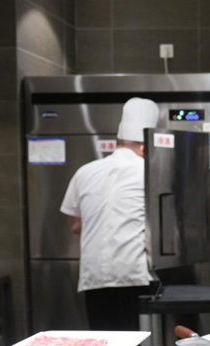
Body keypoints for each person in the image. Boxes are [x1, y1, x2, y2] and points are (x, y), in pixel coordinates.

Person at [60, 98, 160, 331]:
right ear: (144, 147)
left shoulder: (84, 172)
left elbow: (75, 225)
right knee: (136, 344)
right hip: (134, 275)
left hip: (94, 277)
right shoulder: (148, 172)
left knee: (105, 343)